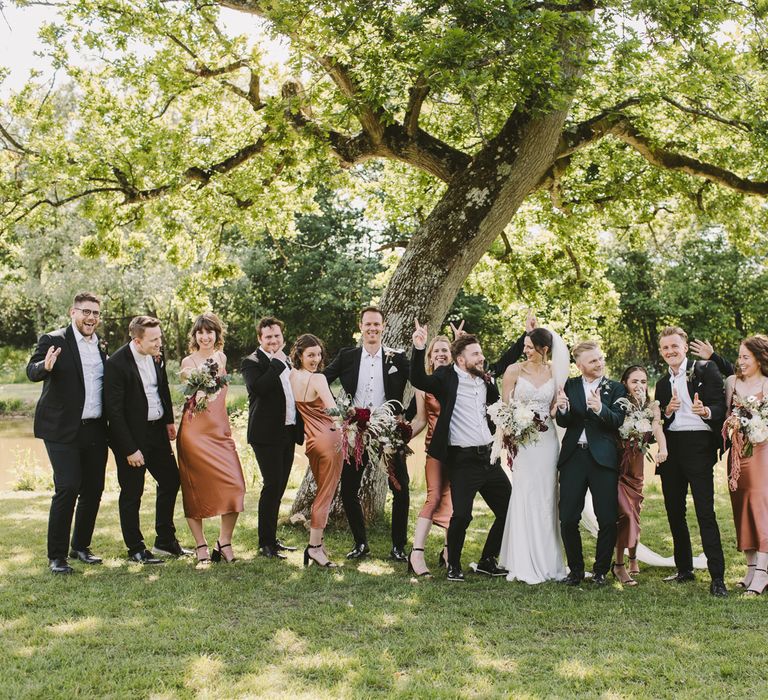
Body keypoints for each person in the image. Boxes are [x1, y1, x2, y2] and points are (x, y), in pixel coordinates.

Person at [411, 322, 511, 582]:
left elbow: (495, 407)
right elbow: (419, 379)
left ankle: (488, 560)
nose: (482, 357)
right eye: (476, 354)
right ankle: (453, 564)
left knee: (509, 509)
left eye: (481, 353)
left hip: (489, 458)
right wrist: (419, 347)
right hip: (463, 460)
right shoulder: (446, 377)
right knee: (462, 515)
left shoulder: (485, 380)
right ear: (461, 359)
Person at [27, 292, 109, 574]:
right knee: (68, 487)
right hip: (61, 429)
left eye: (96, 313)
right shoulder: (54, 340)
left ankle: (80, 547)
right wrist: (44, 366)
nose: (91, 318)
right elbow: (32, 370)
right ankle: (57, 556)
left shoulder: (101, 345)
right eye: (86, 312)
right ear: (72, 312)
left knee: (94, 489)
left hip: (95, 428)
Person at [323, 307, 411, 561]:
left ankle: (398, 547)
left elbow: (420, 381)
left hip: (387, 430)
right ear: (360, 326)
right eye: (368, 324)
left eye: (377, 324)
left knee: (401, 489)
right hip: (356, 430)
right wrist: (338, 410)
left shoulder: (396, 357)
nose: (372, 329)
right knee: (349, 489)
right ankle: (361, 543)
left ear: (383, 327)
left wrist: (405, 413)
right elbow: (323, 379)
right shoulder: (347, 355)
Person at [104, 316, 190, 564]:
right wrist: (130, 449)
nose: (159, 343)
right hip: (131, 437)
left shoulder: (157, 356)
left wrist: (168, 421)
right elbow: (114, 412)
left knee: (171, 480)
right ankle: (136, 548)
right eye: (154, 340)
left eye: (160, 338)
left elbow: (161, 388)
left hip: (157, 433)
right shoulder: (117, 364)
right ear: (137, 340)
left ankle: (165, 540)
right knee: (132, 492)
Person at [654, 326, 727, 597]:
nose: (670, 351)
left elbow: (720, 404)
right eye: (665, 348)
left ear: (684, 347)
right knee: (674, 511)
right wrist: (668, 412)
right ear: (662, 353)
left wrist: (706, 410)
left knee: (705, 512)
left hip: (698, 445)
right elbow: (660, 421)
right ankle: (684, 568)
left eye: (674, 346)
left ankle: (717, 577)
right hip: (672, 448)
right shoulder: (662, 384)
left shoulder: (705, 370)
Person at [498, 327, 568, 584]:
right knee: (525, 492)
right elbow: (504, 408)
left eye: (529, 347)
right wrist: (512, 430)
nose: (524, 351)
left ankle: (549, 560)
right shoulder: (513, 371)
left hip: (547, 440)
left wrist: (555, 410)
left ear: (544, 350)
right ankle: (522, 559)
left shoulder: (556, 373)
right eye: (524, 346)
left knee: (547, 494)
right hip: (523, 442)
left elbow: (556, 408)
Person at [176, 313, 246, 565]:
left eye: (210, 332)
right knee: (195, 491)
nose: (205, 337)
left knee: (236, 485)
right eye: (200, 332)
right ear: (194, 336)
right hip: (194, 434)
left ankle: (223, 541)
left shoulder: (222, 357)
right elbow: (188, 387)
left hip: (220, 433)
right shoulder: (188, 362)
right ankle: (201, 546)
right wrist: (196, 381)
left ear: (217, 334)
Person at [556, 341, 626, 586]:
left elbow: (617, 420)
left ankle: (600, 571)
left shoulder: (616, 388)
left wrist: (600, 409)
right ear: (580, 365)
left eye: (600, 358)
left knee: (606, 517)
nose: (599, 364)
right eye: (593, 361)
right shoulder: (570, 385)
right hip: (573, 457)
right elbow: (564, 422)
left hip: (603, 459)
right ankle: (575, 571)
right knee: (568, 517)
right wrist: (563, 409)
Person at [241, 317, 304, 559]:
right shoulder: (251, 362)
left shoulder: (288, 361)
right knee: (271, 486)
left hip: (287, 431)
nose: (273, 340)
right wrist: (277, 363)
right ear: (260, 339)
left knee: (279, 487)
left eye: (276, 336)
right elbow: (259, 388)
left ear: (282, 336)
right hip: (265, 435)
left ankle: (272, 539)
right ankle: (265, 543)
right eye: (268, 337)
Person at [288, 334, 344, 567]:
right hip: (330, 439)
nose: (316, 359)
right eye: (310, 355)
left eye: (319, 354)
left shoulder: (291, 376)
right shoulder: (318, 379)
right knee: (326, 494)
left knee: (322, 491)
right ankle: (314, 548)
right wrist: (349, 418)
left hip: (311, 442)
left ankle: (317, 544)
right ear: (299, 355)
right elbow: (333, 410)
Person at [613, 366, 668, 585]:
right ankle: (618, 565)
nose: (639, 386)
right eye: (634, 381)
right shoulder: (618, 404)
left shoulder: (652, 406)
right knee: (624, 513)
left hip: (636, 468)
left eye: (644, 381)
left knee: (634, 512)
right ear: (625, 382)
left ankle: (633, 557)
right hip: (617, 466)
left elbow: (657, 429)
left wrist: (662, 449)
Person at [723, 335, 768, 595]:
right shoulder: (732, 382)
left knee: (760, 507)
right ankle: (751, 567)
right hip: (738, 455)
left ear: (759, 358)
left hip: (762, 453)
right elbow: (727, 413)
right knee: (740, 506)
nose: (740, 362)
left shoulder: (766, 383)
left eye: (745, 357)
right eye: (738, 356)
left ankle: (763, 572)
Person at [407, 335, 453, 577]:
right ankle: (416, 552)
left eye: (446, 350)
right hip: (434, 450)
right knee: (433, 497)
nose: (441, 354)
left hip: (457, 450)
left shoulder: (459, 380)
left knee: (456, 500)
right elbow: (421, 420)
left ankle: (448, 551)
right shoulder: (422, 385)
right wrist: (400, 439)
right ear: (430, 356)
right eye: (437, 351)